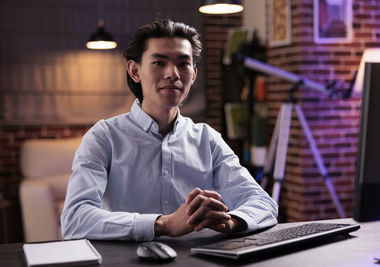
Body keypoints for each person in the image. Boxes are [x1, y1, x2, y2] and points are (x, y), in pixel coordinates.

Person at [61, 19, 278, 241]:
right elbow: (75, 219)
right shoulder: (104, 136)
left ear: (193, 75)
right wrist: (163, 224)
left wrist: (230, 221)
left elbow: (264, 204)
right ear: (135, 71)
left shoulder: (207, 139)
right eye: (159, 62)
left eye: (183, 64)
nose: (173, 73)